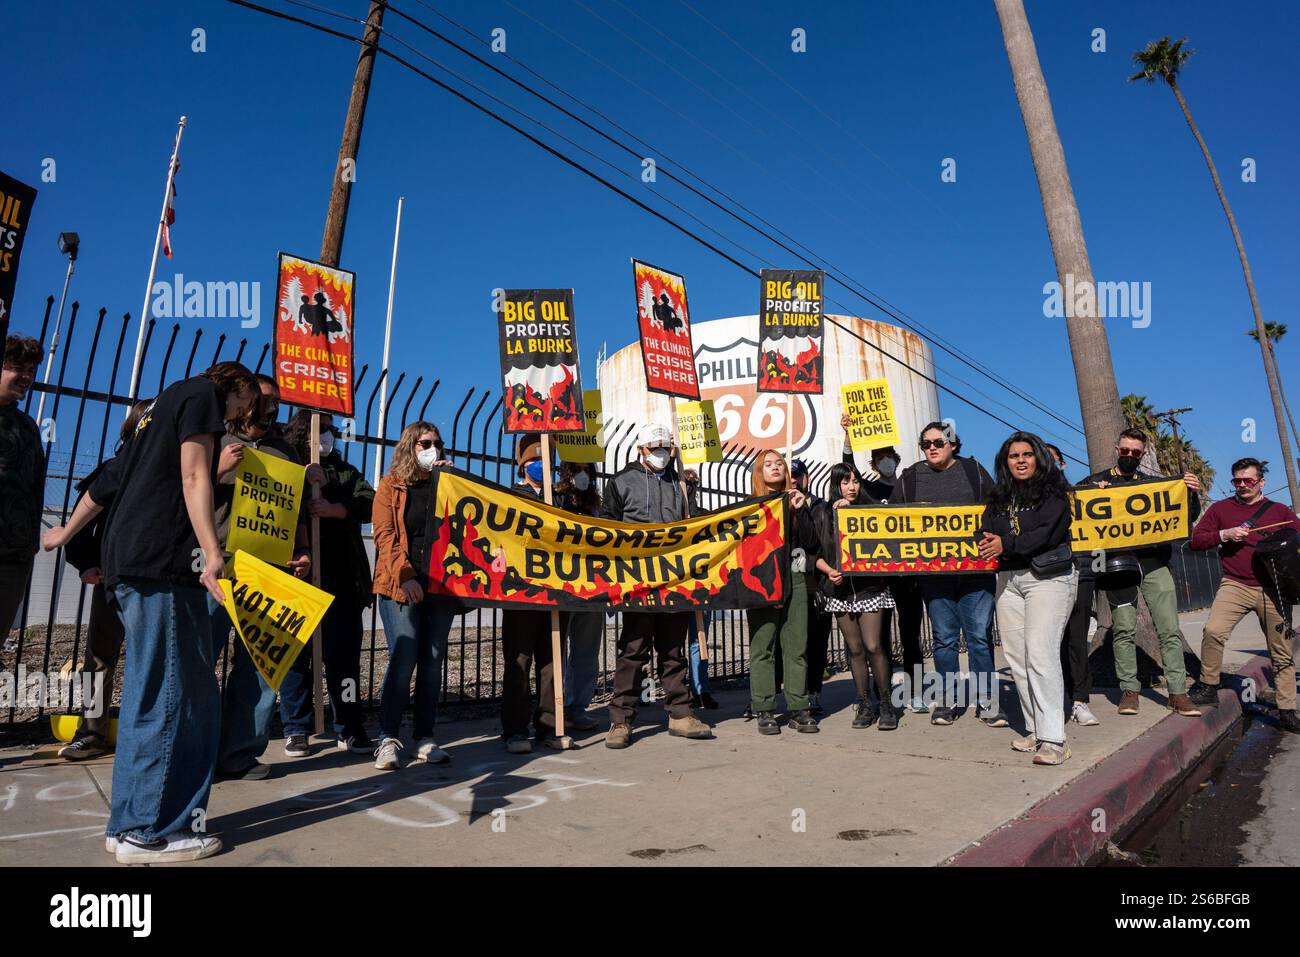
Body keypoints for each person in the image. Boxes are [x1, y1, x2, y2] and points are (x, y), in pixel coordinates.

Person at [97, 361, 258, 863]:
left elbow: (107, 482)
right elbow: (193, 476)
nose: (236, 416)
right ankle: (152, 830)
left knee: (149, 695)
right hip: (166, 565)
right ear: (231, 387)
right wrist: (213, 552)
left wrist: (63, 533)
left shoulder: (157, 409)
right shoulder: (201, 398)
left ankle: (128, 821)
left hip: (132, 561)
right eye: (241, 403)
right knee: (178, 698)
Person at [206, 376, 311, 779]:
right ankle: (196, 752)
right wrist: (220, 468)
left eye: (276, 401)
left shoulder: (285, 450)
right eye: (262, 399)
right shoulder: (215, 438)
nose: (270, 407)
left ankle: (239, 754)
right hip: (218, 565)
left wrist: (301, 549)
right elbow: (184, 486)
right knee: (201, 664)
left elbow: (295, 508)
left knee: (261, 668)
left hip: (269, 570)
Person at [43, 399, 151, 760]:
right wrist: (85, 564)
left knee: (149, 659)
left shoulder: (178, 471)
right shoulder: (116, 469)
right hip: (113, 578)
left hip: (157, 579)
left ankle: (143, 735)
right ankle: (91, 733)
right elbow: (81, 522)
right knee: (100, 657)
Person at [601, 423, 714, 748]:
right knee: (633, 650)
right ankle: (621, 720)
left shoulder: (680, 484)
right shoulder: (622, 481)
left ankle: (680, 713)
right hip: (637, 580)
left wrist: (689, 493)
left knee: (673, 650)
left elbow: (693, 526)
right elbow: (607, 527)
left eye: (666, 447)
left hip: (674, 579)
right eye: (655, 447)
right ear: (641, 449)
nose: (661, 452)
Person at [889, 421, 1005, 727]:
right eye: (926, 444)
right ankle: (947, 700)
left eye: (938, 442)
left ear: (953, 444)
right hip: (933, 576)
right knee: (943, 639)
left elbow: (998, 509)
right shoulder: (910, 478)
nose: (931, 448)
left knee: (979, 637)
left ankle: (987, 701)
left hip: (976, 571)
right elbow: (890, 521)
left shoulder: (974, 472)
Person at [1081, 428, 1202, 717]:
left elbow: (1186, 515)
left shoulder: (1153, 485)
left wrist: (1191, 493)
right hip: (1117, 566)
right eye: (1125, 450)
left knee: (1169, 628)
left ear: (1143, 453)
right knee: (1123, 628)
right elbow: (1075, 510)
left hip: (1153, 563)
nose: (1130, 456)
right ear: (1117, 448)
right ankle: (1129, 691)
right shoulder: (1096, 481)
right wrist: (1090, 495)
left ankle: (1177, 692)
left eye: (1136, 452)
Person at [281, 411, 377, 759]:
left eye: (330, 430)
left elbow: (370, 503)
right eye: (319, 429)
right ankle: (296, 727)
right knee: (295, 656)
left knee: (344, 659)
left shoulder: (345, 471)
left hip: (342, 577)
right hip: (297, 574)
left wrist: (338, 508)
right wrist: (303, 483)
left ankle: (349, 726)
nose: (327, 435)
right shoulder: (287, 463)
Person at [979, 432, 1078, 765]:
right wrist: (1007, 542)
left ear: (1038, 458)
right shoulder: (997, 496)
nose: (1020, 460)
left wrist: (1008, 543)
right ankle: (1035, 728)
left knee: (1040, 654)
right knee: (1018, 658)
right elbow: (988, 529)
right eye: (1013, 456)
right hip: (1008, 579)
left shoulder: (1056, 491)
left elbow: (1047, 533)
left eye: (1026, 454)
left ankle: (1054, 739)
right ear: (1005, 462)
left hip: (1047, 579)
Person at [1187, 458, 1300, 731]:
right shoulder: (1220, 509)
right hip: (1235, 584)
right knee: (1213, 630)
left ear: (1261, 482)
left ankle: (1287, 710)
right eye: (1237, 481)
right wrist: (1224, 534)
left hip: (1273, 589)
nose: (1242, 485)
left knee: (1281, 650)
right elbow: (1196, 541)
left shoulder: (1280, 511)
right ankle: (1209, 685)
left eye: (1248, 480)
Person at [369, 420, 455, 769]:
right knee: (404, 656)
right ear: (409, 447)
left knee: (433, 661)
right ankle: (388, 738)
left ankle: (425, 736)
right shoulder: (391, 486)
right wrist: (405, 577)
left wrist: (454, 483)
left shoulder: (446, 484)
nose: (431, 448)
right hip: (400, 585)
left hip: (441, 586)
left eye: (436, 442)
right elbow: (384, 536)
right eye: (424, 443)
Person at [843, 430, 927, 713]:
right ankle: (886, 691)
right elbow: (848, 469)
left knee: (911, 634)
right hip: (881, 577)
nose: (886, 462)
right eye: (879, 459)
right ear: (874, 464)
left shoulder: (909, 487)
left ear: (896, 459)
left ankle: (916, 690)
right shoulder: (869, 490)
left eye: (889, 457)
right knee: (879, 640)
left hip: (909, 575)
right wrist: (847, 436)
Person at [812, 462, 899, 730]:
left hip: (869, 587)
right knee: (855, 649)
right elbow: (813, 551)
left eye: (856, 481)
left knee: (873, 645)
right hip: (839, 590)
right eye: (845, 482)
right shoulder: (822, 513)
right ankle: (864, 704)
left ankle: (886, 703)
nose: (852, 487)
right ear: (836, 485)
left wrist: (855, 513)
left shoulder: (869, 508)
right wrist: (828, 571)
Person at [499, 434, 570, 753]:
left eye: (545, 459)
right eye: (533, 460)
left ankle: (549, 728)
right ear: (523, 465)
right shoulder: (511, 496)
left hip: (558, 591)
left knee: (552, 661)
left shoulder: (562, 499)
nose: (540, 465)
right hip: (522, 593)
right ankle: (515, 731)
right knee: (519, 660)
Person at [746, 450, 819, 735]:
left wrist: (801, 510)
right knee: (763, 646)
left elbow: (812, 544)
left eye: (780, 463)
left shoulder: (796, 501)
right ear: (759, 472)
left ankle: (799, 708)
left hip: (795, 575)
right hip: (762, 579)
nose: (775, 468)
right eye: (769, 464)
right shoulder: (751, 506)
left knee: (796, 646)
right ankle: (764, 708)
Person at [1046, 444, 1099, 727]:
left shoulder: (1082, 494)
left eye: (1052, 460)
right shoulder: (1028, 499)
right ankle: (1057, 698)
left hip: (1080, 570)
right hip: (1045, 576)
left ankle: (1080, 700)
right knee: (1050, 642)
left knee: (1076, 639)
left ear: (1062, 465)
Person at [0, 335, 45, 647]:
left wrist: (28, 547)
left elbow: (34, 490)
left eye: (31, 371)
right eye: (18, 368)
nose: (26, 377)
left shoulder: (27, 426)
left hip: (13, 557)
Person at [557, 461, 606, 729]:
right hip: (561, 586)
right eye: (577, 471)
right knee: (555, 649)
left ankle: (578, 706)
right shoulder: (553, 498)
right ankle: (557, 706)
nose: (583, 476)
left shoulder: (595, 507)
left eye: (587, 471)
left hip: (592, 586)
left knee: (586, 650)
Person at [792, 458, 830, 715]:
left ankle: (813, 691)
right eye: (789, 475)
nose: (793, 480)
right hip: (789, 583)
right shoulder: (778, 506)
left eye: (798, 475)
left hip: (817, 584)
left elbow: (820, 543)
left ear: (807, 477)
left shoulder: (821, 507)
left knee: (816, 643)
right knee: (791, 644)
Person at [680, 468, 718, 710]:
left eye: (694, 483)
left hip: (701, 586)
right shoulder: (671, 516)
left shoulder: (704, 516)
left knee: (699, 640)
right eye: (687, 482)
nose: (691, 487)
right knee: (671, 642)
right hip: (676, 587)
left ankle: (700, 688)